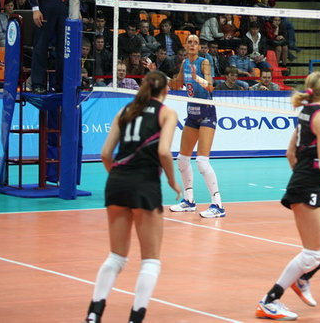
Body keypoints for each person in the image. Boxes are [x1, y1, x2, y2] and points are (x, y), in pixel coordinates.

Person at [255, 71, 320, 321]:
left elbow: (290, 153)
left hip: (310, 186)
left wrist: (302, 177)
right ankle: (269, 301)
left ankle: (304, 278)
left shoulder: (304, 113)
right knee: (311, 253)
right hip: (306, 188)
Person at [84, 71, 180, 323]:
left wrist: (119, 177)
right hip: (145, 184)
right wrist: (172, 181)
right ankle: (135, 318)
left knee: (116, 257)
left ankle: (94, 314)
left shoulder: (125, 110)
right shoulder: (166, 113)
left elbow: (105, 154)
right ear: (165, 91)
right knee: (150, 261)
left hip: (117, 183)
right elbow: (164, 152)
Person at [168, 35, 225, 218]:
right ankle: (189, 201)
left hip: (207, 112)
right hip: (192, 114)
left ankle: (218, 205)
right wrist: (158, 74)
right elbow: (176, 84)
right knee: (182, 159)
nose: (192, 45)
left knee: (201, 161)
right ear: (185, 46)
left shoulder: (204, 62)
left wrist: (195, 78)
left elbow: (210, 87)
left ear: (199, 46)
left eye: (195, 42)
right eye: (189, 42)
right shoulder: (184, 63)